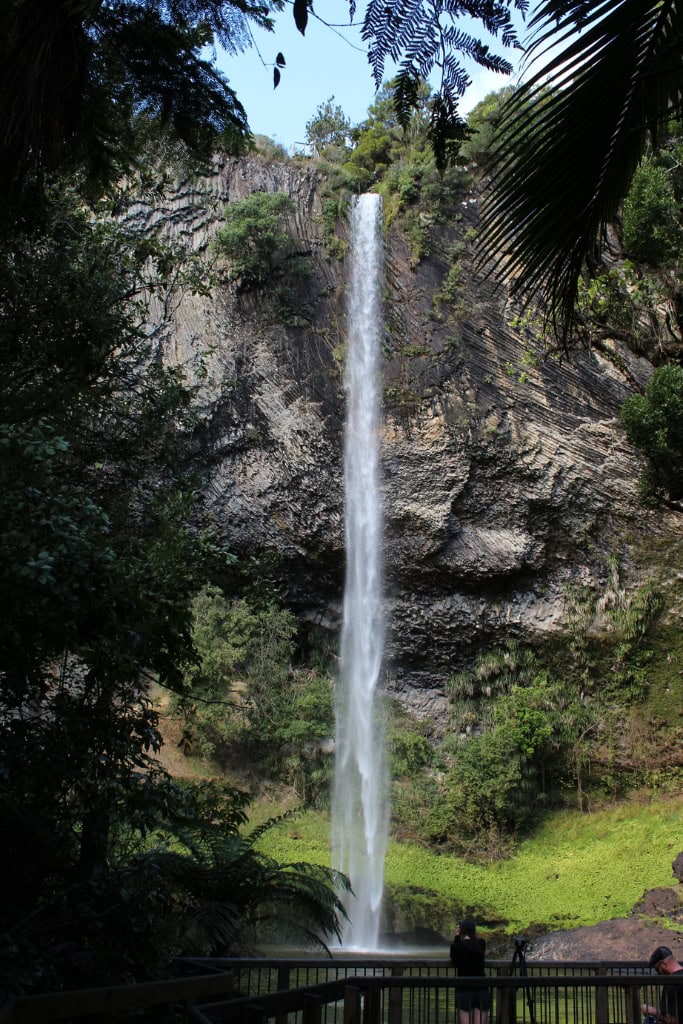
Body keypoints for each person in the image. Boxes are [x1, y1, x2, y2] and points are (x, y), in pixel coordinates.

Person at [449, 918, 491, 1024]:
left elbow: (454, 957)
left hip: (464, 988)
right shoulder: (481, 943)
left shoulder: (456, 947)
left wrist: (457, 936)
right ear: (474, 930)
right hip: (481, 988)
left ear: (461, 930)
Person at [641, 947, 683, 1024]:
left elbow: (673, 1020)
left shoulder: (672, 984)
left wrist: (651, 1011)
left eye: (657, 969)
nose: (658, 974)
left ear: (663, 964)